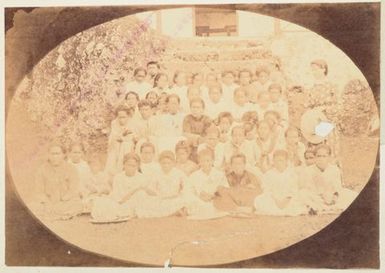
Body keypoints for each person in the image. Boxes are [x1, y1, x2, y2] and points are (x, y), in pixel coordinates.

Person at [299, 145, 357, 214]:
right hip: (316, 196)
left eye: (324, 156)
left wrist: (333, 198)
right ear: (315, 157)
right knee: (303, 194)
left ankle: (325, 208)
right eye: (319, 156)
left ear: (329, 157)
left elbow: (337, 188)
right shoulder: (308, 170)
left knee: (350, 194)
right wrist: (322, 195)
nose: (321, 158)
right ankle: (318, 208)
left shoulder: (334, 169)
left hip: (331, 196)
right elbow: (309, 188)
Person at [91, 153, 150, 221]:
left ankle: (128, 212)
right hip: (120, 201)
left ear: (137, 166)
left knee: (141, 194)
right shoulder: (118, 177)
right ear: (124, 165)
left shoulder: (141, 177)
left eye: (133, 166)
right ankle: (119, 212)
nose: (130, 168)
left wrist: (134, 191)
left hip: (134, 202)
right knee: (100, 201)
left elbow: (142, 192)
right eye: (128, 165)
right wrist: (120, 201)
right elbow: (117, 195)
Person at [32, 143, 83, 220]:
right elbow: (39, 191)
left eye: (58, 154)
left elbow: (73, 189)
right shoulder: (42, 169)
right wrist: (47, 202)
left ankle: (55, 213)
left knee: (77, 205)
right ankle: (59, 214)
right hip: (48, 202)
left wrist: (63, 200)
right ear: (48, 155)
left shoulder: (71, 168)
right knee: (33, 206)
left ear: (63, 155)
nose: (55, 157)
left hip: (65, 201)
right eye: (52, 154)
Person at [254, 150, 306, 216]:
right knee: (259, 199)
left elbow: (293, 190)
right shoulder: (269, 174)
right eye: (276, 161)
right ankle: (280, 211)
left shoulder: (292, 173)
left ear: (286, 161)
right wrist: (276, 200)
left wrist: (286, 200)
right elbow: (266, 189)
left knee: (301, 197)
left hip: (288, 200)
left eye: (281, 160)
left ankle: (283, 211)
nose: (278, 163)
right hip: (273, 200)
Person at [104, 106, 136, 175]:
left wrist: (122, 137)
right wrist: (121, 136)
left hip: (127, 144)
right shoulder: (114, 123)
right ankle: (113, 170)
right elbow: (114, 135)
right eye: (119, 117)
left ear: (128, 116)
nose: (121, 120)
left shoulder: (132, 123)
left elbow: (131, 137)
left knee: (125, 145)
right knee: (115, 144)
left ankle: (123, 169)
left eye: (124, 117)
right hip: (116, 143)